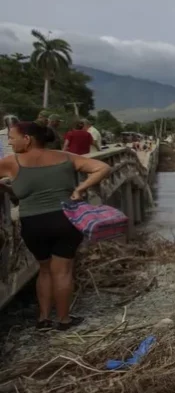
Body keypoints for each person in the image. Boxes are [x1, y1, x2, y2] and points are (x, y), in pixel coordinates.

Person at [0, 121, 110, 330]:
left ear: (27, 139)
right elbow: (103, 167)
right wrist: (80, 189)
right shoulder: (66, 157)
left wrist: (5, 189)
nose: (10, 143)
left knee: (44, 269)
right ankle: (63, 320)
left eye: (12, 138)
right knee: (63, 271)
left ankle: (43, 319)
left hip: (33, 223)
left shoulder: (11, 162)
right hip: (66, 219)